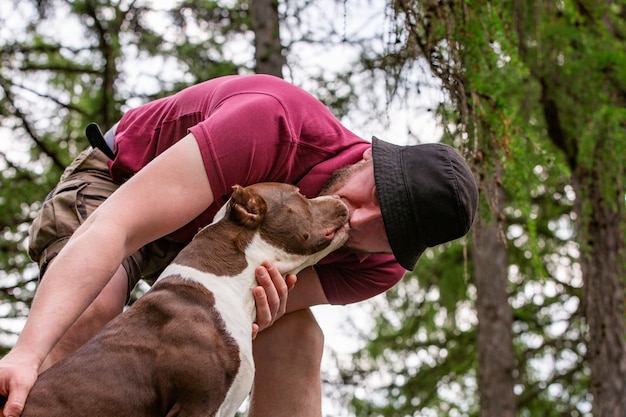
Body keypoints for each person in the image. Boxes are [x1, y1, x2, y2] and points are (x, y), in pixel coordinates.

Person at [0, 74, 478, 417]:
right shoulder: (274, 122)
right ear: (372, 155)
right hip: (122, 183)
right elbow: (117, 227)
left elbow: (259, 306)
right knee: (93, 304)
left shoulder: (378, 263)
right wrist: (28, 351)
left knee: (298, 339)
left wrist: (259, 312)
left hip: (216, 257)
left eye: (386, 231)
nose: (359, 218)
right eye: (373, 195)